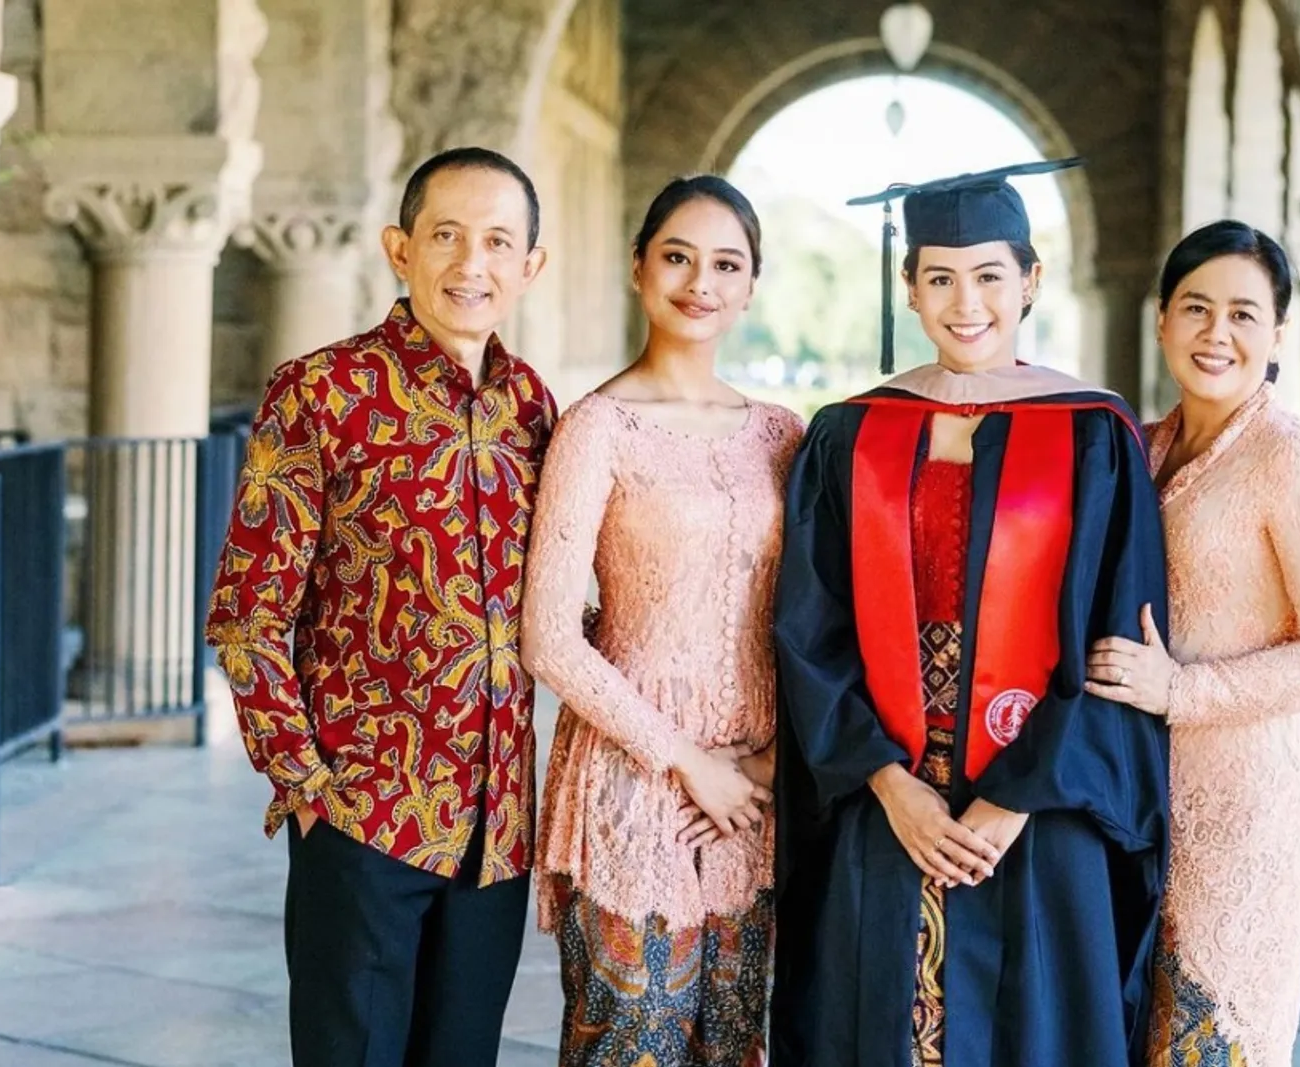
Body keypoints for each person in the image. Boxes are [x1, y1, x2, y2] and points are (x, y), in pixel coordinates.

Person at [771, 161, 1172, 1067]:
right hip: (885, 795)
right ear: (909, 287)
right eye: (940, 277)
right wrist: (886, 780)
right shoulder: (849, 432)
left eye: (990, 275)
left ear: (1030, 281)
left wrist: (1013, 801)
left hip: (1039, 804)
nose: (966, 302)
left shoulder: (1093, 432)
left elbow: (1120, 640)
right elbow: (809, 626)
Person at [205, 146, 556, 1067]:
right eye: (446, 235)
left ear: (531, 266)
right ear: (400, 248)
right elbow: (248, 614)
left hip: (497, 827)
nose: (469, 264)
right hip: (364, 814)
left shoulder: (532, 408)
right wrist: (309, 789)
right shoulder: (319, 392)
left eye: (496, 242)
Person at [520, 175, 804, 1067]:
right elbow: (549, 636)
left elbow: (813, 620)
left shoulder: (785, 437)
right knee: (630, 1043)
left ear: (751, 285)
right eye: (677, 256)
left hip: (753, 790)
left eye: (726, 263)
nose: (699, 282)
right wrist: (687, 764)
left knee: (735, 1042)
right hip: (632, 777)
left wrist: (761, 764)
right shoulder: (597, 428)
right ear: (638, 268)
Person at [1082, 220, 1300, 1067]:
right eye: (1197, 308)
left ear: (1277, 334)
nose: (1218, 334)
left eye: (1244, 315)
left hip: (1247, 808)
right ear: (1162, 319)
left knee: (1215, 1037)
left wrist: (1182, 691)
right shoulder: (1141, 444)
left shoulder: (1292, 459)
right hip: (1135, 796)